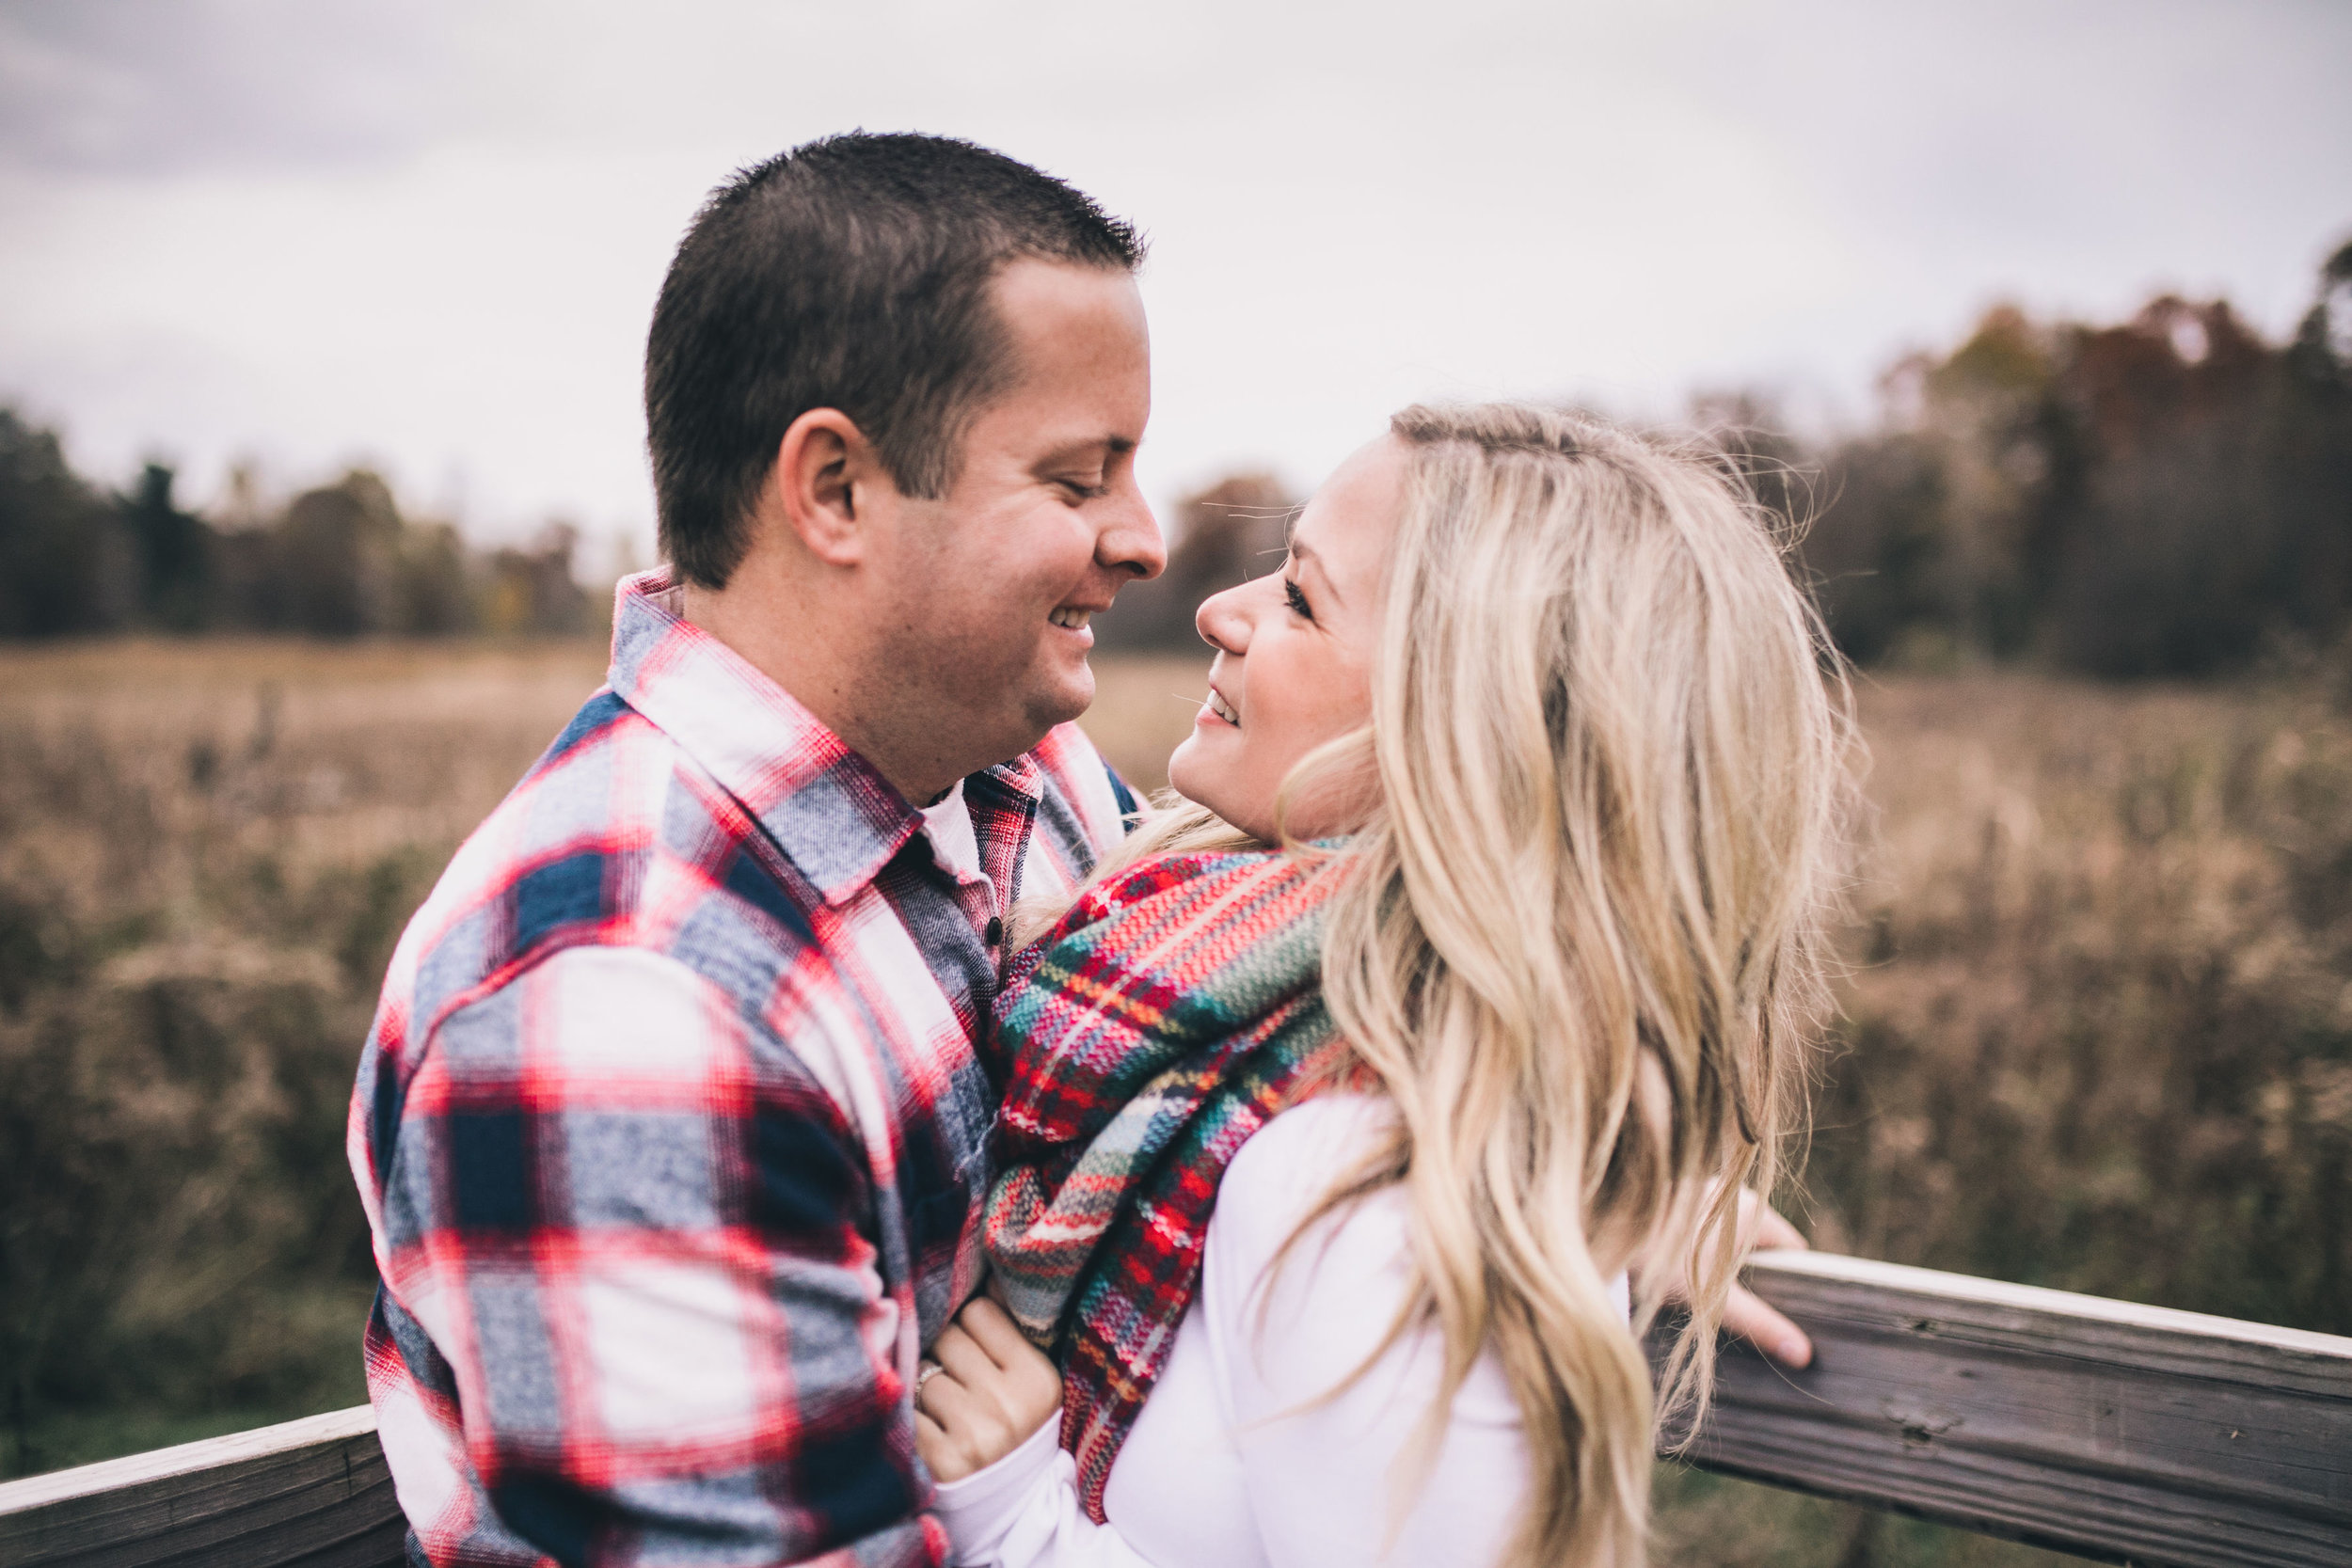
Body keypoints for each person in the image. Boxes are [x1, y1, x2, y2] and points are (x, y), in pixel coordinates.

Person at [346, 133, 1167, 1566]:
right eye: (1078, 478)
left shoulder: (1020, 773)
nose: (1144, 538)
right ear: (835, 489)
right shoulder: (619, 1004)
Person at [911, 404, 1853, 1567]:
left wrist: (1018, 1520)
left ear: (1468, 730)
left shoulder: (1380, 1203)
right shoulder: (1221, 995)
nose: (1222, 608)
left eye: (1302, 599)